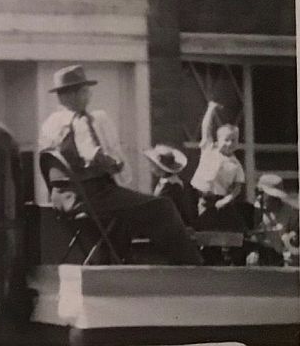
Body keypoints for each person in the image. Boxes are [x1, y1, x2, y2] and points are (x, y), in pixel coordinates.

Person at [38, 64, 202, 265]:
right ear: (72, 94)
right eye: (84, 91)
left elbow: (62, 161)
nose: (88, 96)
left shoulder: (49, 125)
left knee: (126, 209)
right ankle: (191, 264)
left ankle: (117, 261)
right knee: (162, 205)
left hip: (62, 200)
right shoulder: (79, 121)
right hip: (91, 196)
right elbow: (93, 156)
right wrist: (113, 164)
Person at [191, 101, 247, 232]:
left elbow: (237, 188)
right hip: (202, 198)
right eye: (226, 140)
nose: (229, 144)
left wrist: (227, 199)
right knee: (202, 228)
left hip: (220, 200)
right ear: (218, 141)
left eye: (234, 140)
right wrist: (211, 109)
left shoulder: (236, 164)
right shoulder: (209, 150)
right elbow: (206, 129)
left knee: (229, 229)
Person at [247, 174, 299, 266]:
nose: (266, 199)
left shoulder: (290, 211)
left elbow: (295, 236)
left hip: (282, 257)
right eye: (262, 194)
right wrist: (253, 251)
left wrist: (290, 249)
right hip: (261, 255)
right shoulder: (254, 211)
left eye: (273, 197)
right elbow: (249, 236)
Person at [144, 144, 196, 227]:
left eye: (153, 164)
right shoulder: (169, 183)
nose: (150, 167)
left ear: (159, 167)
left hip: (173, 228)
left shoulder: (171, 188)